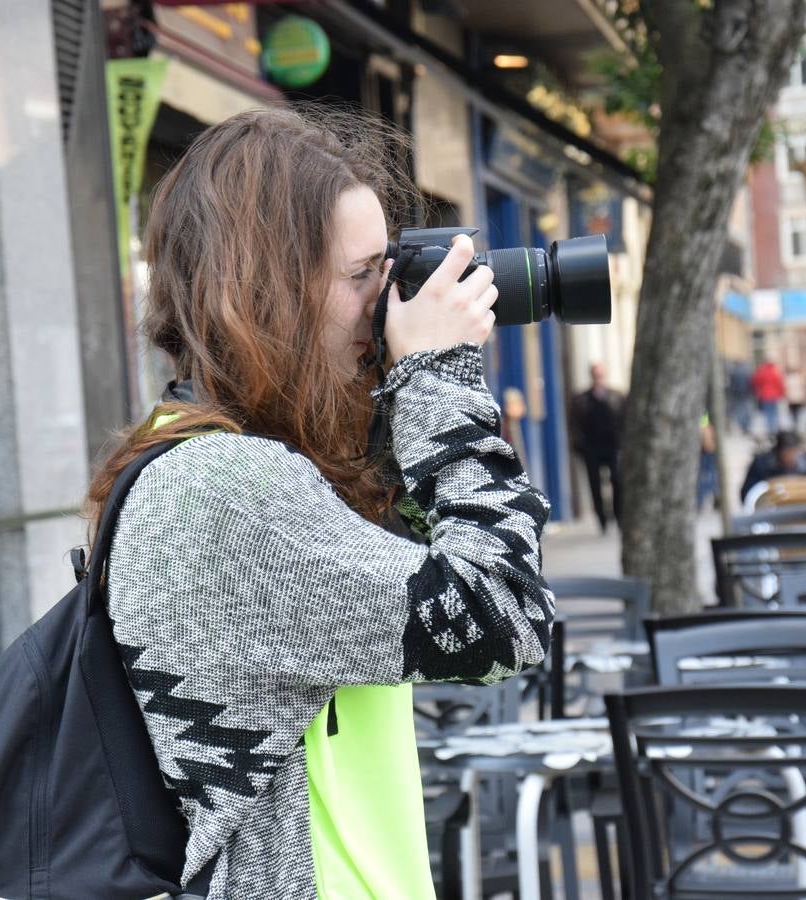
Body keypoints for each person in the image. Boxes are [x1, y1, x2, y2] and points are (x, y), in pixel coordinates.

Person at [84, 107, 554, 899]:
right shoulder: (228, 492)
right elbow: (503, 619)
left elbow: (440, 554)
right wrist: (437, 375)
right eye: (364, 274)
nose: (386, 303)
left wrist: (400, 389)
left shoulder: (221, 461)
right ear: (266, 291)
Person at [570, 361, 625, 531]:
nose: (599, 378)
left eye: (601, 374)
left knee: (616, 479)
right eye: (596, 374)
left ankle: (617, 514)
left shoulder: (617, 396)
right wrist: (579, 446)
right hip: (591, 448)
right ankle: (602, 518)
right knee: (594, 483)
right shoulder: (581, 399)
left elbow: (625, 420)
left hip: (613, 446)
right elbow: (574, 424)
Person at [740, 430, 806, 503]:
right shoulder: (762, 465)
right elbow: (748, 494)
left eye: (794, 452)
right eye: (787, 452)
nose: (791, 457)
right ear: (778, 452)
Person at [751, 359, 785, 434]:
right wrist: (782, 393)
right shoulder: (775, 372)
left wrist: (758, 390)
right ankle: (774, 428)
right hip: (774, 395)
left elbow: (755, 381)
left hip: (765, 395)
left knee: (768, 412)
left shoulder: (761, 371)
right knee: (774, 412)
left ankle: (770, 428)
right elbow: (780, 383)